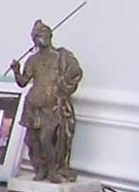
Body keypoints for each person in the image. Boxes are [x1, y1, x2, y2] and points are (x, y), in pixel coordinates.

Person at [8, 20, 83, 182]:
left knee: (46, 139)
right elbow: (22, 82)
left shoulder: (61, 57)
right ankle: (40, 168)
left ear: (50, 35)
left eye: (43, 34)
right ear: (33, 40)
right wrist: (16, 71)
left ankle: (53, 170)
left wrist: (65, 82)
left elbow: (75, 73)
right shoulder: (32, 60)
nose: (41, 38)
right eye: (37, 36)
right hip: (33, 106)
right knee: (33, 141)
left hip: (53, 106)